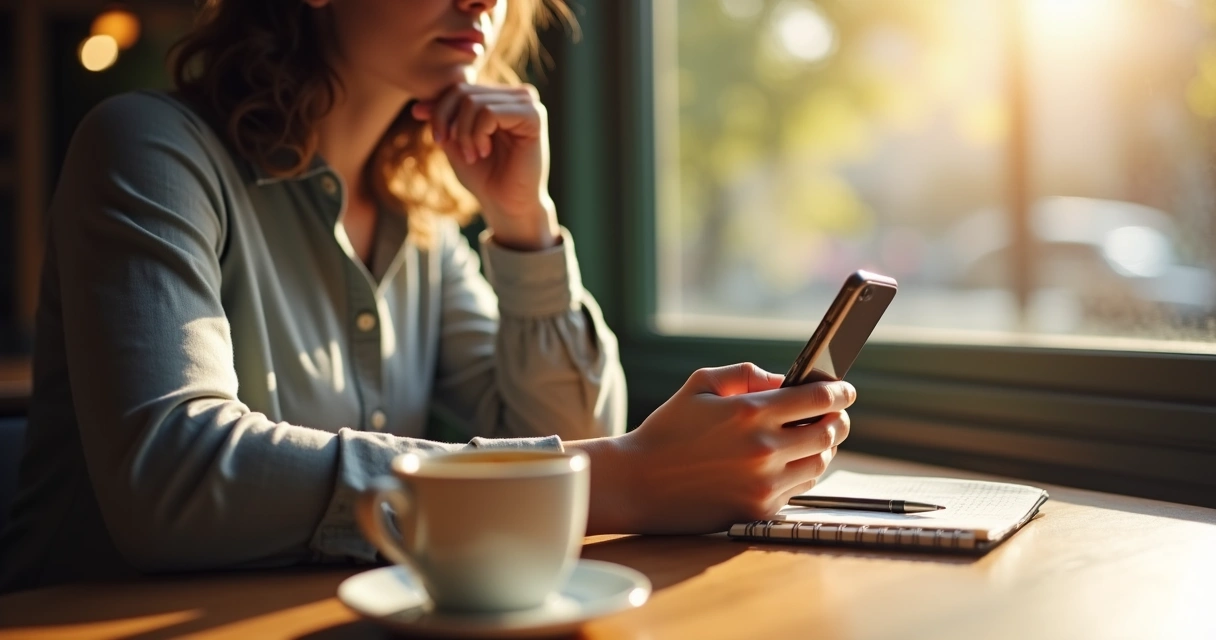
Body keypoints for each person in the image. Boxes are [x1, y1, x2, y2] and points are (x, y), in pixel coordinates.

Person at [0, 0, 853, 592]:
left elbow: (576, 435)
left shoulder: (422, 226)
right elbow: (170, 479)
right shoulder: (148, 149)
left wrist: (525, 222)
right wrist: (620, 479)